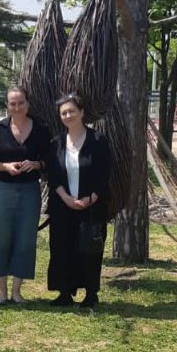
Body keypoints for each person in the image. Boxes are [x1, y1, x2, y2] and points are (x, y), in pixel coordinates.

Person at [0, 85, 50, 305]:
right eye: (13, 103)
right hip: (2, 189)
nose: (17, 107)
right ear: (7, 105)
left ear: (28, 104)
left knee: (26, 239)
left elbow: (49, 159)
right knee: (0, 237)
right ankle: (2, 291)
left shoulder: (41, 129)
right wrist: (5, 166)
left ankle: (17, 292)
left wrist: (36, 164)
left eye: (21, 103)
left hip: (30, 190)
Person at [47, 93, 110, 309]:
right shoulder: (56, 143)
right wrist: (65, 197)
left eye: (72, 111)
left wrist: (91, 198)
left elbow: (104, 174)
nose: (68, 116)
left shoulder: (98, 140)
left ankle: (91, 294)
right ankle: (64, 293)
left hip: (90, 206)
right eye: (63, 113)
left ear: (82, 113)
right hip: (62, 206)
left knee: (89, 249)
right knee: (62, 248)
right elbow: (53, 176)